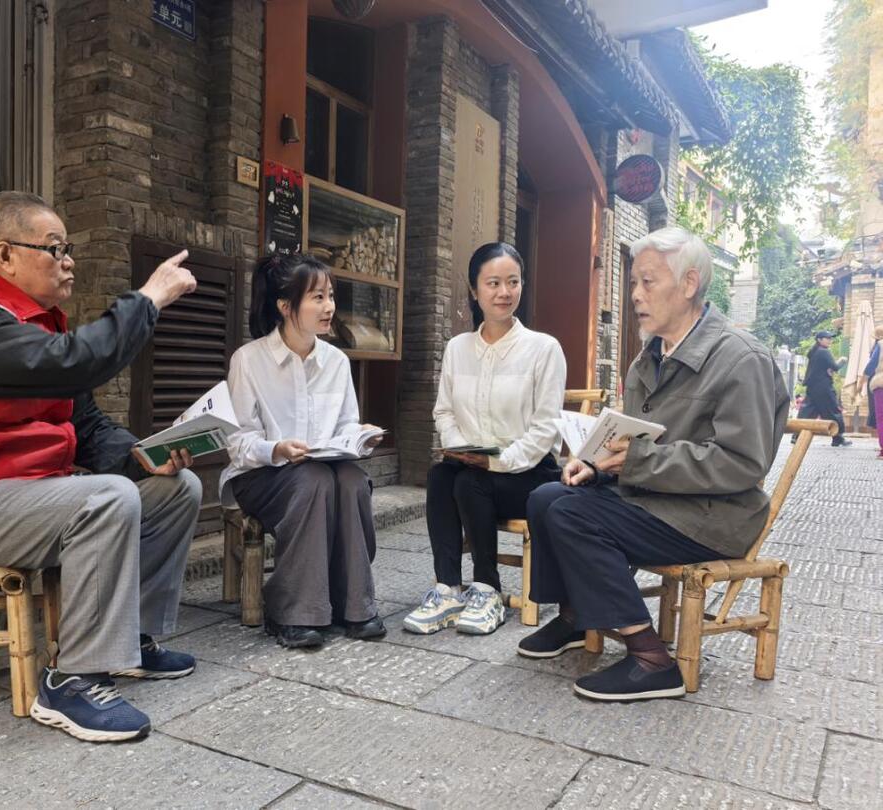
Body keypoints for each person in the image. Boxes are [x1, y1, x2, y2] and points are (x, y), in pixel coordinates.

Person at [0, 191, 204, 742]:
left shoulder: (40, 328)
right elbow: (74, 363)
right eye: (54, 248)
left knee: (176, 487)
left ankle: (130, 641)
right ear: (4, 255)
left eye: (68, 250)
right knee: (107, 497)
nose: (68, 262)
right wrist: (149, 299)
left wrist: (145, 456)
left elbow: (87, 427)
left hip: (40, 498)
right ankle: (71, 680)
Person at [516, 226, 788, 701]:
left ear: (689, 284)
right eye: (634, 283)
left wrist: (638, 461)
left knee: (573, 514)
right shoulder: (649, 357)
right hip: (656, 497)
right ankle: (576, 617)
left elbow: (742, 464)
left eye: (648, 282)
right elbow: (637, 439)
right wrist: (597, 463)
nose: (636, 295)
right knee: (546, 497)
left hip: (713, 516)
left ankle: (652, 659)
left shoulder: (741, 359)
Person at [222, 253, 386, 649]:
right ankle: (293, 611)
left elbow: (345, 425)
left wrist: (360, 435)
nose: (330, 307)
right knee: (313, 479)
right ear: (285, 306)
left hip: (322, 471)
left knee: (351, 480)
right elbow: (238, 443)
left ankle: (354, 605)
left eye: (330, 296)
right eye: (318, 297)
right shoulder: (248, 360)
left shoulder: (337, 361)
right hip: (260, 476)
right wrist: (277, 448)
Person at [403, 243, 564, 636]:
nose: (504, 292)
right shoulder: (458, 349)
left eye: (513, 282)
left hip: (529, 475)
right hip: (471, 467)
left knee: (469, 482)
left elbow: (545, 428)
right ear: (474, 290)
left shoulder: (543, 349)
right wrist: (461, 449)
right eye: (493, 283)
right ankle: (448, 590)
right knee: (442, 475)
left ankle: (487, 589)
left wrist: (497, 461)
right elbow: (444, 411)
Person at [797, 330, 851, 446]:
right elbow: (835, 367)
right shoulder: (824, 352)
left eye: (830, 338)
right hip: (823, 387)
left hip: (813, 387)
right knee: (833, 411)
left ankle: (797, 436)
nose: (830, 340)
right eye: (827, 338)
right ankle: (838, 437)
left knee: (808, 411)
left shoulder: (815, 351)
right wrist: (842, 360)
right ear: (819, 340)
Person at [861, 325, 883, 458]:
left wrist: (861, 382)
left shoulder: (880, 345)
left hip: (880, 383)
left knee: (881, 417)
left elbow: (871, 366)